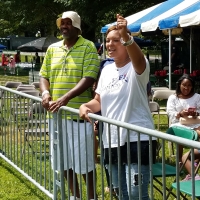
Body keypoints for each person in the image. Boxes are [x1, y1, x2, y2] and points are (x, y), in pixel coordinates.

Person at [79, 14, 157, 199]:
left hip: (137, 139)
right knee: (119, 191)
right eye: (107, 41)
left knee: (136, 193)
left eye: (116, 40)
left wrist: (127, 37)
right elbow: (99, 100)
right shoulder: (106, 70)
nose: (110, 44)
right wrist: (86, 106)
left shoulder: (138, 66)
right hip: (111, 139)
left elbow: (138, 60)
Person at [39, 11, 99, 200]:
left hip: (78, 118)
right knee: (63, 163)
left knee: (85, 165)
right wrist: (45, 93)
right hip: (56, 117)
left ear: (77, 26)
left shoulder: (88, 47)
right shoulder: (53, 48)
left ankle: (91, 197)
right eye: (62, 23)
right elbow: (44, 75)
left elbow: (89, 77)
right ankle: (76, 197)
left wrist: (65, 98)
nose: (64, 26)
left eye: (68, 23)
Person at [166, 74, 200, 179]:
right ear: (179, 85)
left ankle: (194, 160)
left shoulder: (197, 96)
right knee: (180, 135)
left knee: (198, 133)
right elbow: (170, 113)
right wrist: (180, 113)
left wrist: (195, 113)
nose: (186, 88)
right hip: (179, 123)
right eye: (184, 85)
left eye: (189, 85)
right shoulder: (173, 98)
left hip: (195, 122)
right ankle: (181, 160)